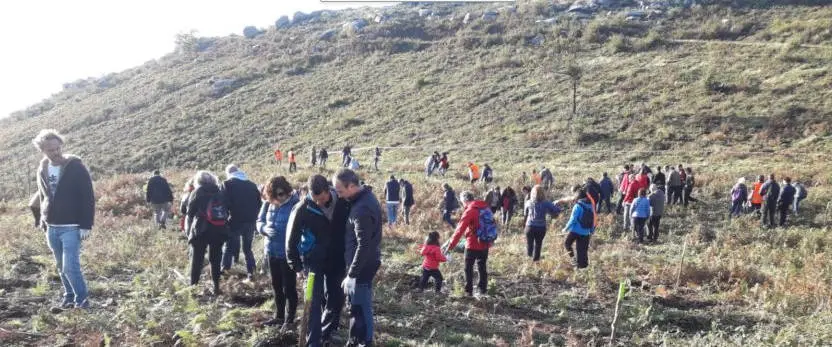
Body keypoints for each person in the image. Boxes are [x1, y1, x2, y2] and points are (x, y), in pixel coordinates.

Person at [285, 175, 350, 345]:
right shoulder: (302, 208)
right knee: (313, 301)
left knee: (336, 298)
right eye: (316, 199)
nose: (319, 202)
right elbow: (291, 240)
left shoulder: (342, 202)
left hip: (336, 259)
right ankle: (313, 341)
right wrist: (297, 266)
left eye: (322, 198)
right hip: (312, 261)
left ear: (329, 191)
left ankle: (326, 331)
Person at [33, 129, 95, 309]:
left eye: (58, 148)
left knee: (70, 266)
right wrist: (43, 219)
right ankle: (69, 296)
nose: (56, 152)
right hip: (51, 226)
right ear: (43, 150)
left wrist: (86, 224)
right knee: (60, 266)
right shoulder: (42, 168)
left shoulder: (75, 166)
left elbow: (88, 196)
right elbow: (43, 196)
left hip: (72, 226)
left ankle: (82, 301)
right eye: (51, 150)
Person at [333, 169, 382, 347]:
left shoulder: (362, 208)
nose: (338, 195)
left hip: (362, 265)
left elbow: (364, 245)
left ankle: (363, 342)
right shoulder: (360, 200)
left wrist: (352, 274)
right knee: (356, 304)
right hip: (362, 262)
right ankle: (355, 340)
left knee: (360, 306)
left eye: (340, 191)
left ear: (352, 186)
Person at [257, 176, 300, 329]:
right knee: (276, 285)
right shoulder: (269, 204)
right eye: (274, 196)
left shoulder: (296, 204)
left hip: (287, 254)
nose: (279, 198)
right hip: (271, 251)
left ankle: (290, 319)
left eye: (281, 194)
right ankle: (279, 316)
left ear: (288, 191)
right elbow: (259, 221)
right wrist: (264, 229)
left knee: (288, 287)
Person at [184, 170, 229, 295]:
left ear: (198, 181)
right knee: (215, 259)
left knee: (197, 259)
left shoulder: (197, 192)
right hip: (219, 229)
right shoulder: (220, 192)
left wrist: (188, 230)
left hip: (201, 229)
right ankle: (216, 286)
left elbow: (190, 212)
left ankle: (193, 288)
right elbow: (226, 210)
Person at [445, 191, 491, 298]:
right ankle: (482, 290)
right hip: (485, 243)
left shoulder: (470, 211)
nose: (462, 205)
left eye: (462, 202)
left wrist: (450, 246)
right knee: (482, 267)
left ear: (465, 200)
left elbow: (459, 230)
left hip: (472, 244)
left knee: (468, 268)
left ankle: (468, 291)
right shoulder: (485, 208)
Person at [221, 165, 262, 280]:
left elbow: (223, 204)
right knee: (247, 249)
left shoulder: (227, 184)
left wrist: (225, 219)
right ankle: (252, 272)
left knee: (229, 246)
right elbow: (259, 204)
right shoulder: (252, 185)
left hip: (235, 221)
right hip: (250, 222)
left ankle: (225, 271)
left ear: (228, 173)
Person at [522, 185, 563, 261]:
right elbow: (557, 211)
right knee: (538, 245)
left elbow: (525, 214)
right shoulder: (546, 203)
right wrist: (557, 205)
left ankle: (528, 262)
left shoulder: (528, 202)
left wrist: (524, 225)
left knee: (529, 245)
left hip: (529, 226)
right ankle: (535, 262)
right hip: (541, 227)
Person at [562, 186, 595, 268]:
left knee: (567, 244)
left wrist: (565, 228)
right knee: (582, 250)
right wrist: (591, 230)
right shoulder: (591, 205)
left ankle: (573, 260)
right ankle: (584, 267)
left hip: (575, 231)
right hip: (586, 232)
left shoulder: (578, 206)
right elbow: (593, 219)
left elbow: (573, 220)